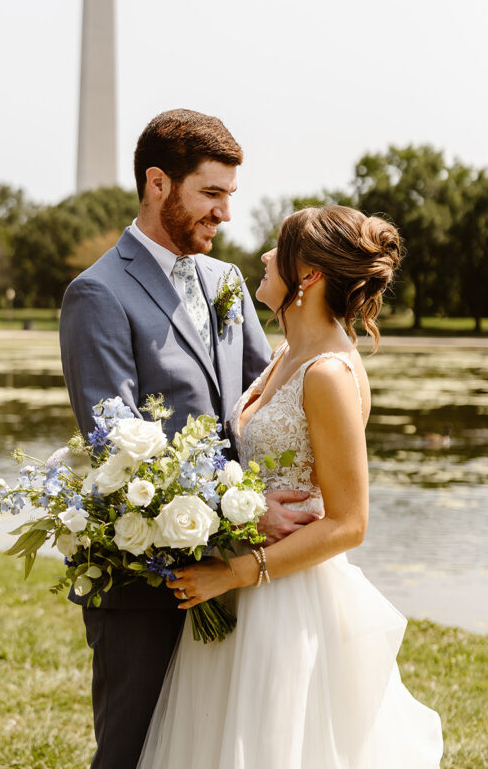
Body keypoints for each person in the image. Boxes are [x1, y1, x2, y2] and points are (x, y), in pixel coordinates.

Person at [137, 205, 444, 769]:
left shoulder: (328, 373)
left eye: (278, 248)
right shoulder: (284, 355)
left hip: (287, 601)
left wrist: (232, 571)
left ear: (309, 276)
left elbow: (349, 523)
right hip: (241, 593)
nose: (263, 255)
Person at [59, 109, 317, 769]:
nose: (225, 214)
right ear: (156, 184)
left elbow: (264, 399)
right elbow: (117, 442)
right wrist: (240, 511)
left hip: (236, 572)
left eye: (229, 195)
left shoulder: (226, 282)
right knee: (132, 751)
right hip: (143, 581)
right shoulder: (96, 294)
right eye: (210, 193)